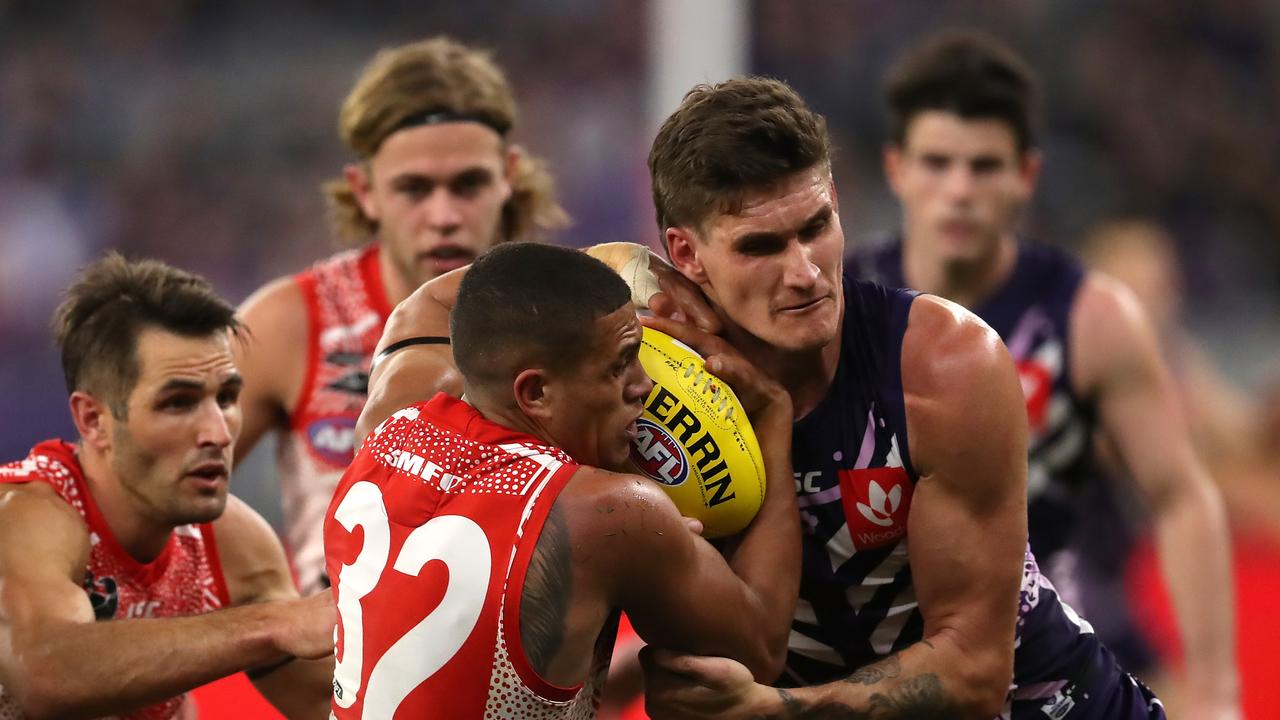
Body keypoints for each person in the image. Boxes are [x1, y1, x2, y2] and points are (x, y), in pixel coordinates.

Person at [851, 31, 1238, 718]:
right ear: (896, 168)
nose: (959, 191)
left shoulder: (1090, 317)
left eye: (985, 166)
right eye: (937, 163)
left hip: (1050, 662)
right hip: (870, 655)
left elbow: (1180, 496)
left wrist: (1213, 689)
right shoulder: (842, 304)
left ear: (1026, 174)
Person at [323, 243, 800, 717]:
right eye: (620, 363)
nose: (644, 385)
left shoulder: (388, 424)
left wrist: (589, 266)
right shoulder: (609, 512)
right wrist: (773, 414)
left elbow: (427, 305)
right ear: (536, 392)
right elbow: (759, 651)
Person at [234, 36, 569, 593]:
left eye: (469, 184)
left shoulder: (578, 315)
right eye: (414, 189)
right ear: (363, 191)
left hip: (539, 669)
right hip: (338, 669)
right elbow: (154, 485)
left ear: (508, 174)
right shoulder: (291, 322)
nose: (444, 216)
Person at [0, 254, 335, 720]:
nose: (218, 432)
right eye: (178, 403)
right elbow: (45, 671)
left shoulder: (233, 544)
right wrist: (272, 623)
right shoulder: (24, 515)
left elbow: (331, 705)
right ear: (93, 420)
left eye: (226, 398)